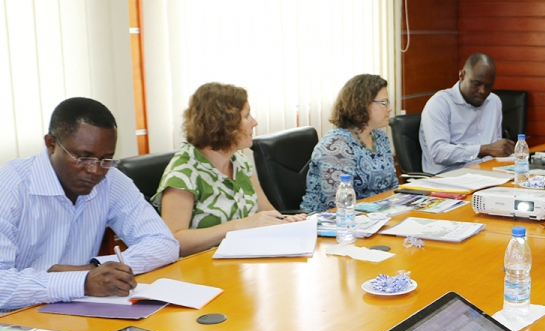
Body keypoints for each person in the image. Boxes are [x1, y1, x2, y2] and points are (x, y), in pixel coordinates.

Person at [0, 97, 179, 311]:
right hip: (15, 322)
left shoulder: (111, 181)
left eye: (106, 159)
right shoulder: (11, 187)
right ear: (51, 144)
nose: (95, 170)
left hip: (78, 314)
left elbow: (164, 243)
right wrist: (82, 282)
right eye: (83, 158)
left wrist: (94, 268)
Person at [154, 82, 304, 257]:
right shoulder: (183, 173)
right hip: (202, 272)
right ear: (224, 124)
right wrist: (238, 226)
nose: (254, 122)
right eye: (247, 116)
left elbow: (266, 212)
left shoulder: (239, 160)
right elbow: (174, 241)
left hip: (244, 262)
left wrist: (286, 222)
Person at [300, 74, 400, 213]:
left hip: (376, 214)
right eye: (384, 103)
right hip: (331, 221)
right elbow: (337, 204)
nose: (389, 109)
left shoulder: (379, 136)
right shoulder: (336, 145)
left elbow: (392, 186)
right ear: (362, 104)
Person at [419, 52, 514, 174]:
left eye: (488, 86)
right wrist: (482, 150)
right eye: (476, 84)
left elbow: (495, 149)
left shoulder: (493, 101)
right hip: (449, 178)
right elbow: (438, 153)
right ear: (462, 75)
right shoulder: (439, 104)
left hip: (486, 172)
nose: (482, 91)